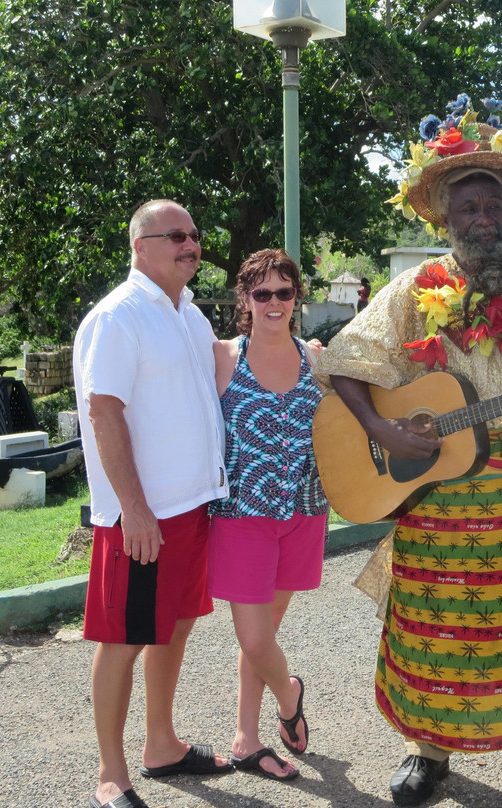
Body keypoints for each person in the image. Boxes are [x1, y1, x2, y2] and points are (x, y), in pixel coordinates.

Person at [313, 101, 502, 808]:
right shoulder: (415, 293)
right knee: (431, 623)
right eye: (466, 208)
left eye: (491, 204)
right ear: (444, 221)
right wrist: (386, 432)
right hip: (439, 493)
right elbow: (343, 364)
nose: (481, 217)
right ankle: (428, 751)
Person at [73, 200, 232, 808]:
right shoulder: (119, 316)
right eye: (175, 236)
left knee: (175, 624)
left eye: (193, 235)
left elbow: (219, 372)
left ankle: (161, 745)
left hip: (192, 504)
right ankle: (111, 774)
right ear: (140, 245)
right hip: (142, 516)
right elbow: (104, 411)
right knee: (125, 636)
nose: (190, 244)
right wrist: (133, 509)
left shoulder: (186, 313)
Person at [207, 248, 329, 782]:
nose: (274, 302)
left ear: (295, 298)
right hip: (240, 515)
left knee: (265, 636)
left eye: (284, 291)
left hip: (303, 510)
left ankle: (245, 739)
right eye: (263, 293)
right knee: (255, 640)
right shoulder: (221, 358)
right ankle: (290, 692)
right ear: (246, 299)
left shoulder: (316, 359)